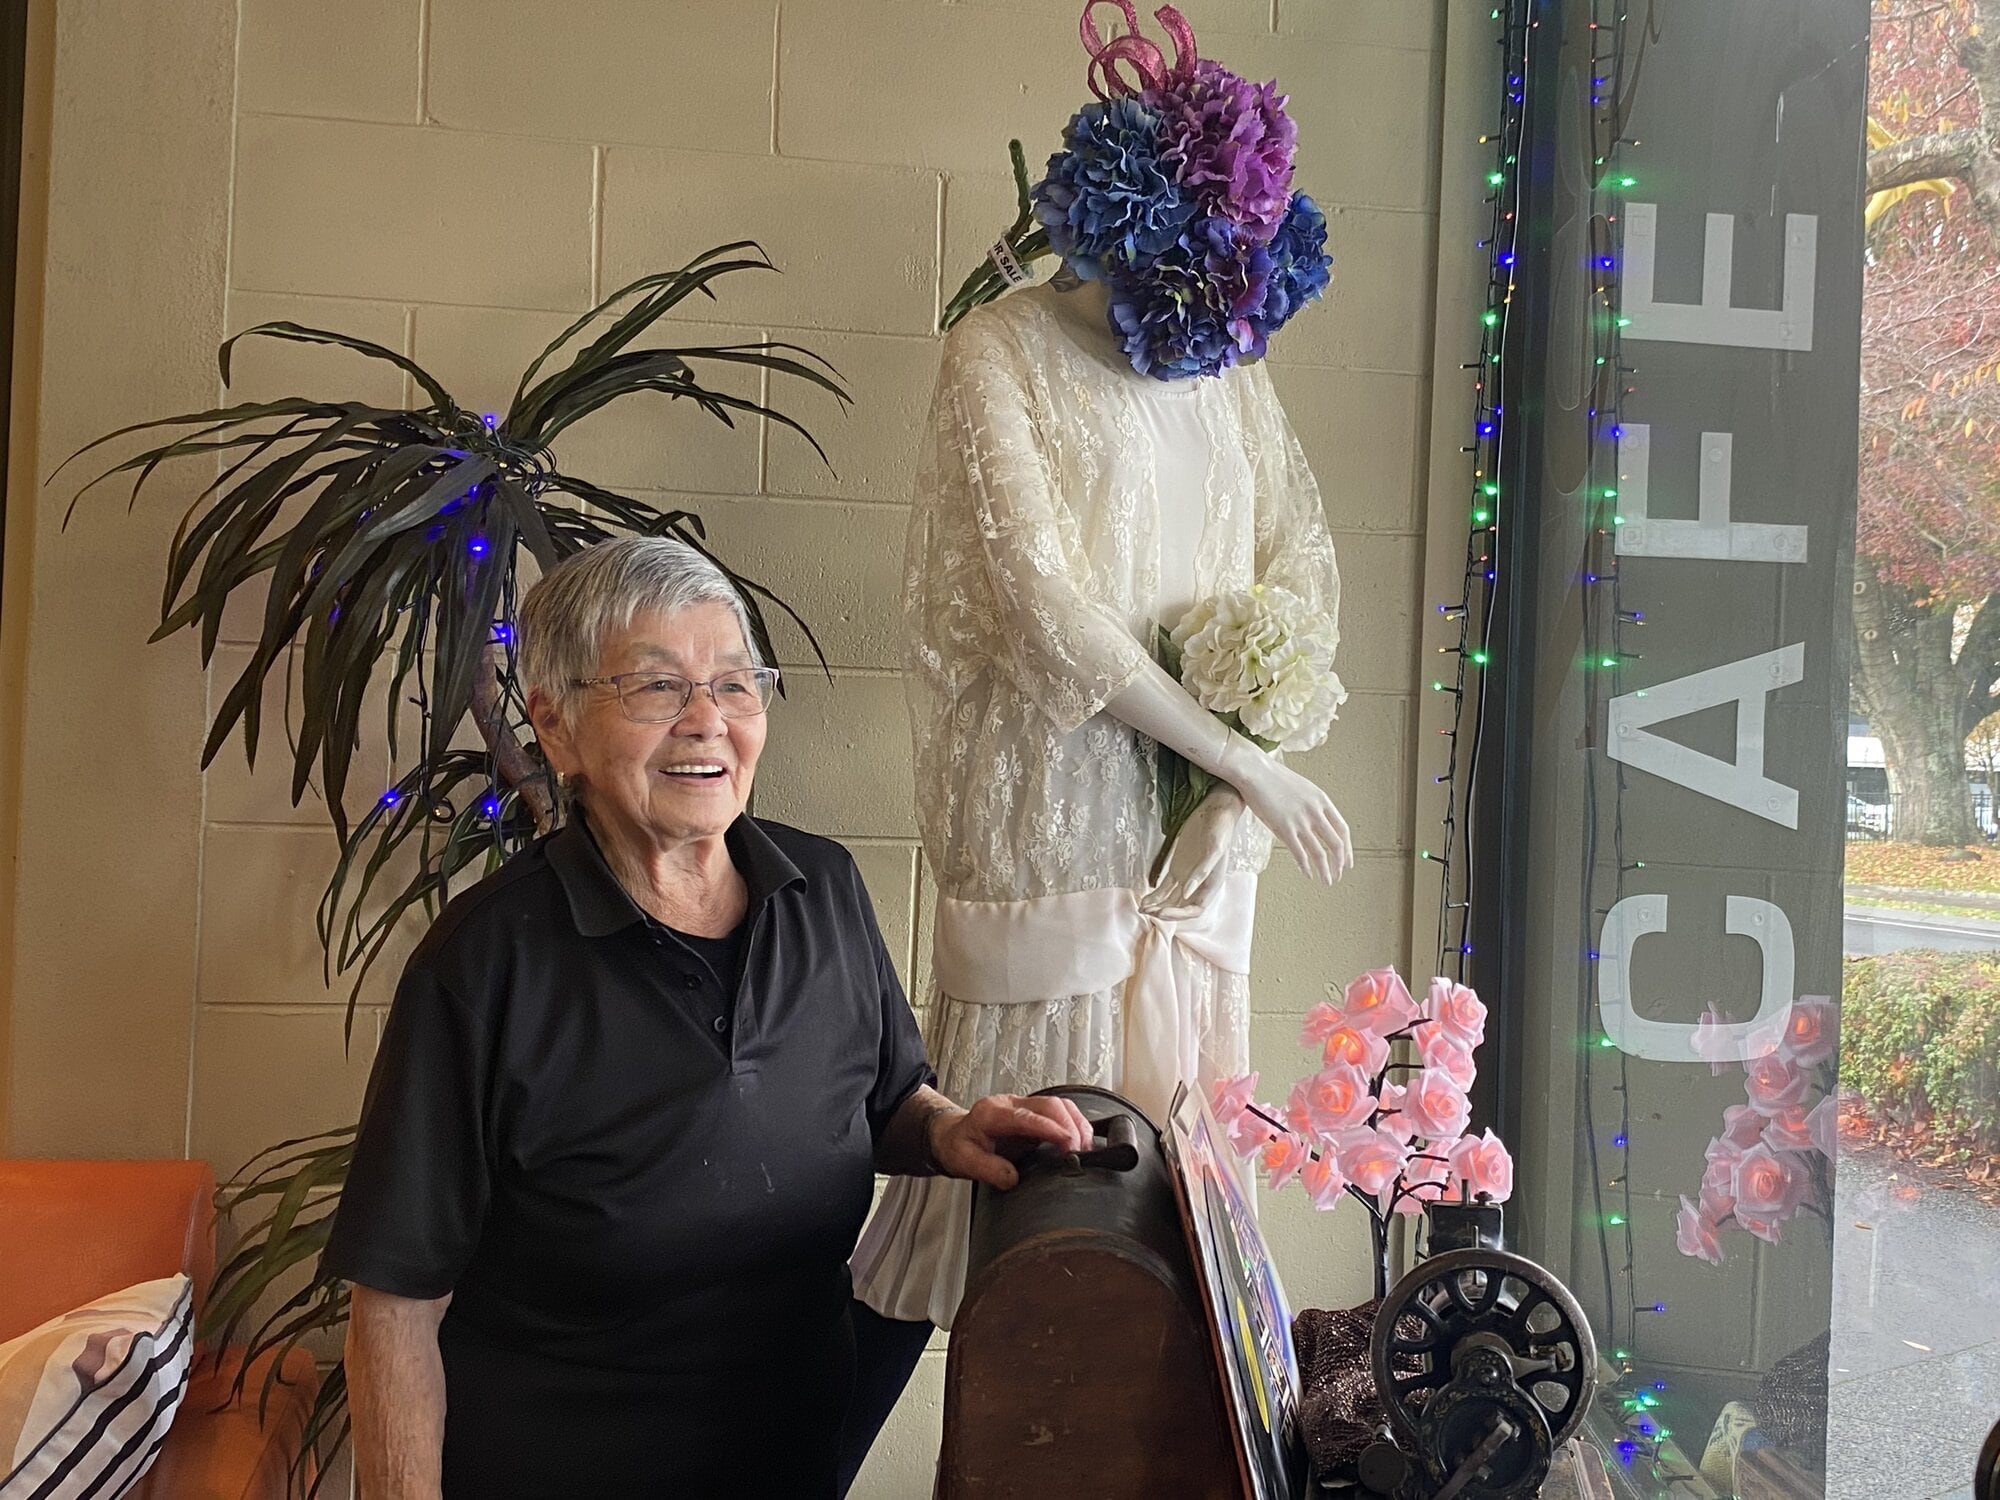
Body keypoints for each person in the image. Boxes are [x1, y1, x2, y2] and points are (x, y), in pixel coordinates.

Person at [321, 536, 1092, 1500]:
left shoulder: (826, 891)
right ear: (553, 726)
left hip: (787, 1457)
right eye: (655, 687)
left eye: (735, 683)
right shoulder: (484, 965)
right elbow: (394, 1305)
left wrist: (948, 1129)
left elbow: (883, 1095)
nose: (707, 723)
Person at [849, 0, 1348, 1382]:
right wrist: (1246, 763)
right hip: (1054, 836)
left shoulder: (1232, 378)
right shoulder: (999, 353)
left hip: (1198, 858)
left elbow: (1297, 558)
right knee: (1037, 1235)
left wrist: (1244, 772)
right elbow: (1036, 605)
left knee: (1182, 1272)